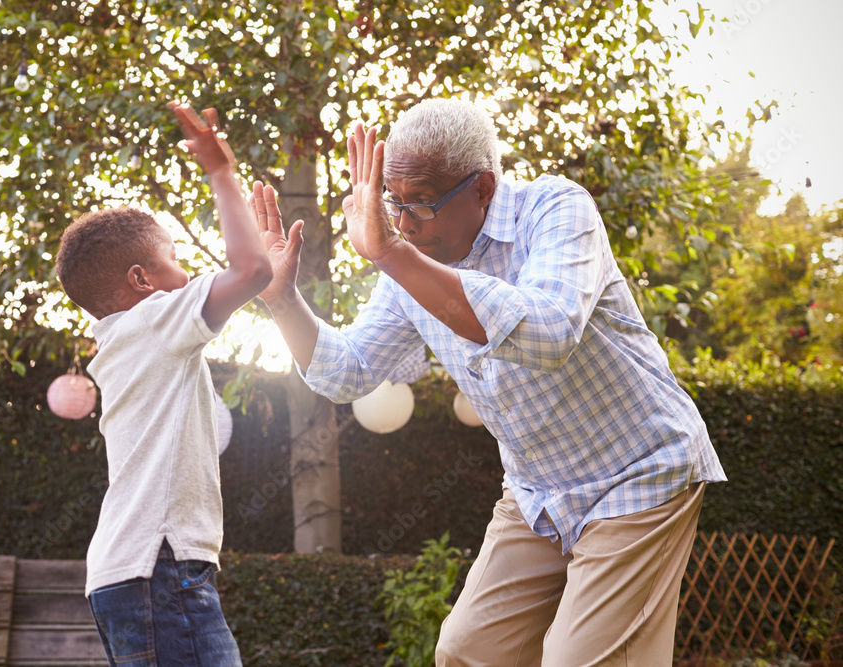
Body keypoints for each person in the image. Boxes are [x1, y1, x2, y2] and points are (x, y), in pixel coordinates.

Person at [254, 98, 726, 666]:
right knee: (467, 652)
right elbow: (345, 371)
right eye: (392, 203)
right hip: (538, 491)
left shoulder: (555, 210)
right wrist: (283, 302)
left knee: (580, 659)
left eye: (421, 204)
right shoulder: (408, 262)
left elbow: (549, 333)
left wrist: (392, 256)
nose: (401, 224)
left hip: (637, 470)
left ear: (482, 188)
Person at [54, 102, 273, 667]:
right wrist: (220, 171)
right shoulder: (152, 318)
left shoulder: (120, 340)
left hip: (129, 571)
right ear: (142, 280)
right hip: (160, 564)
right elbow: (250, 272)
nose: (186, 273)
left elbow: (250, 272)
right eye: (174, 259)